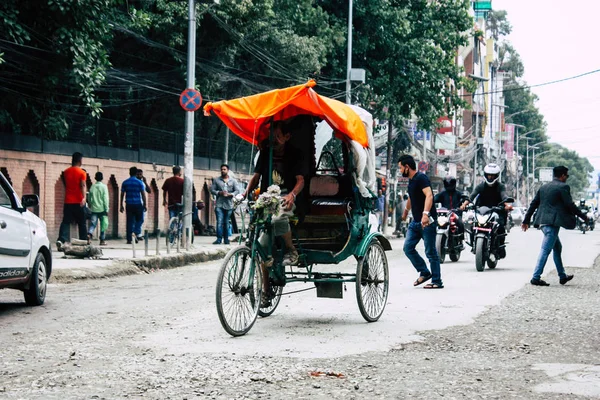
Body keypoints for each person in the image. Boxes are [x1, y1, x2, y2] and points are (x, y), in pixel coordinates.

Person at [242, 120, 308, 305]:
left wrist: (292, 195)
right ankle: (265, 290)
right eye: (273, 136)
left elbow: (300, 180)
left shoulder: (295, 154)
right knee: (262, 246)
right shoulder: (265, 153)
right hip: (266, 199)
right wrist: (245, 193)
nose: (274, 139)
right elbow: (256, 177)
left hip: (288, 198)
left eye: (278, 136)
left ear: (287, 137)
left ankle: (291, 250)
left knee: (279, 217)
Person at [522, 166, 588, 286]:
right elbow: (570, 205)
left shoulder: (544, 187)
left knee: (557, 248)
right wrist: (584, 217)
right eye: (566, 176)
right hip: (552, 223)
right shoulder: (563, 187)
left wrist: (526, 220)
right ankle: (535, 277)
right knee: (545, 250)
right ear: (562, 175)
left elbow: (533, 204)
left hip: (542, 222)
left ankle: (562, 276)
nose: (566, 178)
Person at [399, 154, 443, 289]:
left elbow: (429, 195)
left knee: (430, 251)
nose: (400, 171)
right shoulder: (412, 181)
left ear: (407, 167)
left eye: (401, 168)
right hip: (416, 222)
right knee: (408, 248)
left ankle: (437, 281)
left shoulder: (421, 178)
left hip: (427, 222)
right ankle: (424, 272)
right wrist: (406, 212)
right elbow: (411, 198)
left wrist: (425, 214)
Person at [469, 163, 512, 258]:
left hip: (496, 211)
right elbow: (472, 196)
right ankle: (474, 244)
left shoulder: (500, 186)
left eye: (492, 175)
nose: (490, 177)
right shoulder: (481, 186)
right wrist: (465, 204)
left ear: (496, 176)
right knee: (472, 225)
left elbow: (504, 196)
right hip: (481, 211)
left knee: (500, 226)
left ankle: (500, 247)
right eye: (489, 175)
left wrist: (507, 205)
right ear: (485, 175)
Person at [58, 152, 88, 245]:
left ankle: (61, 239)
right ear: (80, 160)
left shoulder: (66, 172)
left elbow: (66, 184)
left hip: (68, 201)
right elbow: (83, 185)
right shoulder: (82, 172)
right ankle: (83, 241)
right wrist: (84, 198)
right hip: (79, 201)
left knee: (66, 221)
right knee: (82, 223)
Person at [210, 164, 241, 245]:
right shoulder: (216, 180)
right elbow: (212, 190)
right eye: (222, 169)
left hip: (229, 205)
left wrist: (231, 194)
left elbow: (237, 190)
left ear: (228, 170)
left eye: (224, 169)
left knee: (226, 222)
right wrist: (219, 192)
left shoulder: (233, 181)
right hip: (219, 204)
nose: (223, 171)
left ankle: (226, 239)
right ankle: (219, 239)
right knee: (219, 222)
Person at [120, 166, 147, 244]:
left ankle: (129, 239)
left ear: (129, 173)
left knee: (129, 221)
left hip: (128, 204)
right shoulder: (139, 183)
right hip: (138, 204)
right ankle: (135, 232)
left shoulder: (125, 182)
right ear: (136, 173)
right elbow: (143, 194)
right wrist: (145, 204)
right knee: (140, 219)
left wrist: (121, 205)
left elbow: (122, 194)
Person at [87, 171, 109, 246]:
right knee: (103, 225)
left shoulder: (92, 187)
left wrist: (90, 204)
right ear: (102, 178)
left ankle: (89, 234)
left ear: (95, 178)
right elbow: (105, 199)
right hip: (102, 209)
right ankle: (102, 240)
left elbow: (89, 197)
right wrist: (107, 209)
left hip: (94, 209)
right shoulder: (104, 187)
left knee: (93, 224)